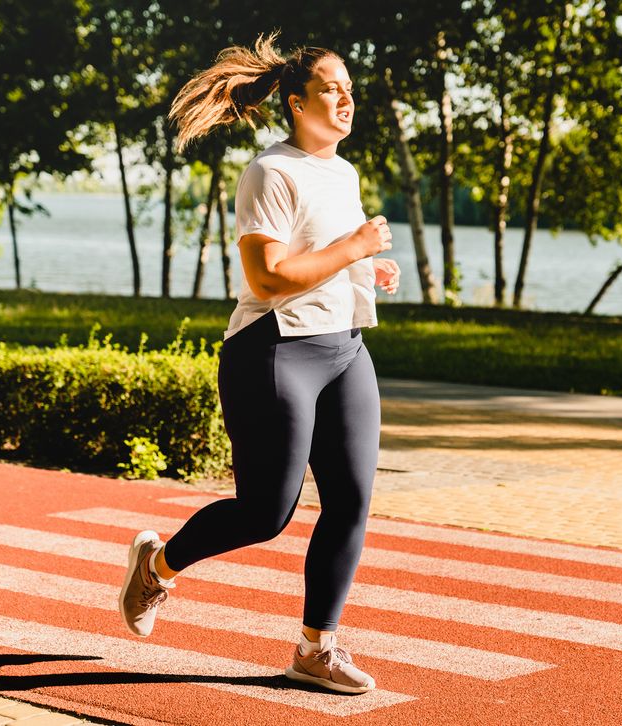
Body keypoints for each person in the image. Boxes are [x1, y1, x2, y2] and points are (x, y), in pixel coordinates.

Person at [117, 34, 401, 695]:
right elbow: (269, 278)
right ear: (297, 102)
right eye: (333, 88)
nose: (346, 98)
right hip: (275, 349)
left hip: (346, 347)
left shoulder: (344, 172)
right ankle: (158, 566)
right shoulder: (270, 173)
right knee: (267, 512)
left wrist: (364, 263)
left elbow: (319, 257)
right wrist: (354, 244)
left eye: (350, 88)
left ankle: (315, 648)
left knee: (352, 502)